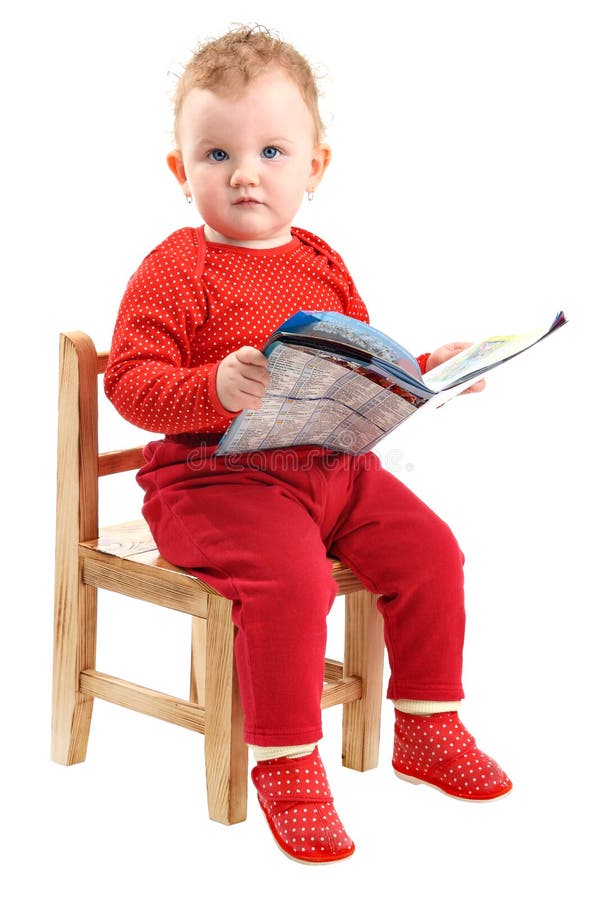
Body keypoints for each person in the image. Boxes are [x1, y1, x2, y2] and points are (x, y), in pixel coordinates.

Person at [104, 25, 512, 864]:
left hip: (330, 466)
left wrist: (422, 371)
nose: (245, 172)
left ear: (315, 167)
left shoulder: (321, 259)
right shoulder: (178, 267)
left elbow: (358, 356)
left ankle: (428, 726)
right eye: (216, 154)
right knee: (291, 583)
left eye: (271, 151)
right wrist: (210, 387)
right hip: (212, 481)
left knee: (432, 551)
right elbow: (129, 382)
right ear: (182, 173)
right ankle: (287, 762)